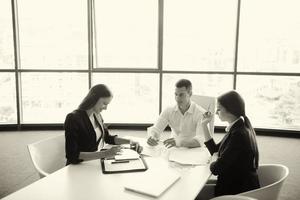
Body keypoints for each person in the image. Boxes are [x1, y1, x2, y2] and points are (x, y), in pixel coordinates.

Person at [197, 90, 260, 199]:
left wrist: (214, 160)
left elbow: (216, 169)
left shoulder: (239, 134)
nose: (216, 112)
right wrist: (204, 125)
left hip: (237, 192)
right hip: (236, 186)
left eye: (219, 109)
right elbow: (215, 150)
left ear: (230, 110)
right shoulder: (238, 127)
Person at [64, 84, 142, 165]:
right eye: (104, 103)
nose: (106, 108)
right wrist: (105, 154)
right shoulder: (73, 118)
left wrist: (130, 141)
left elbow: (108, 138)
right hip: (77, 166)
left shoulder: (97, 115)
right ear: (94, 99)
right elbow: (72, 155)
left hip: (92, 163)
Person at [147, 79, 206, 148]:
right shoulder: (169, 110)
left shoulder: (201, 113)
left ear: (190, 94)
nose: (177, 98)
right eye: (176, 94)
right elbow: (156, 129)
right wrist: (153, 137)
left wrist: (178, 142)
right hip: (174, 148)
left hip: (193, 149)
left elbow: (200, 140)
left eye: (181, 95)